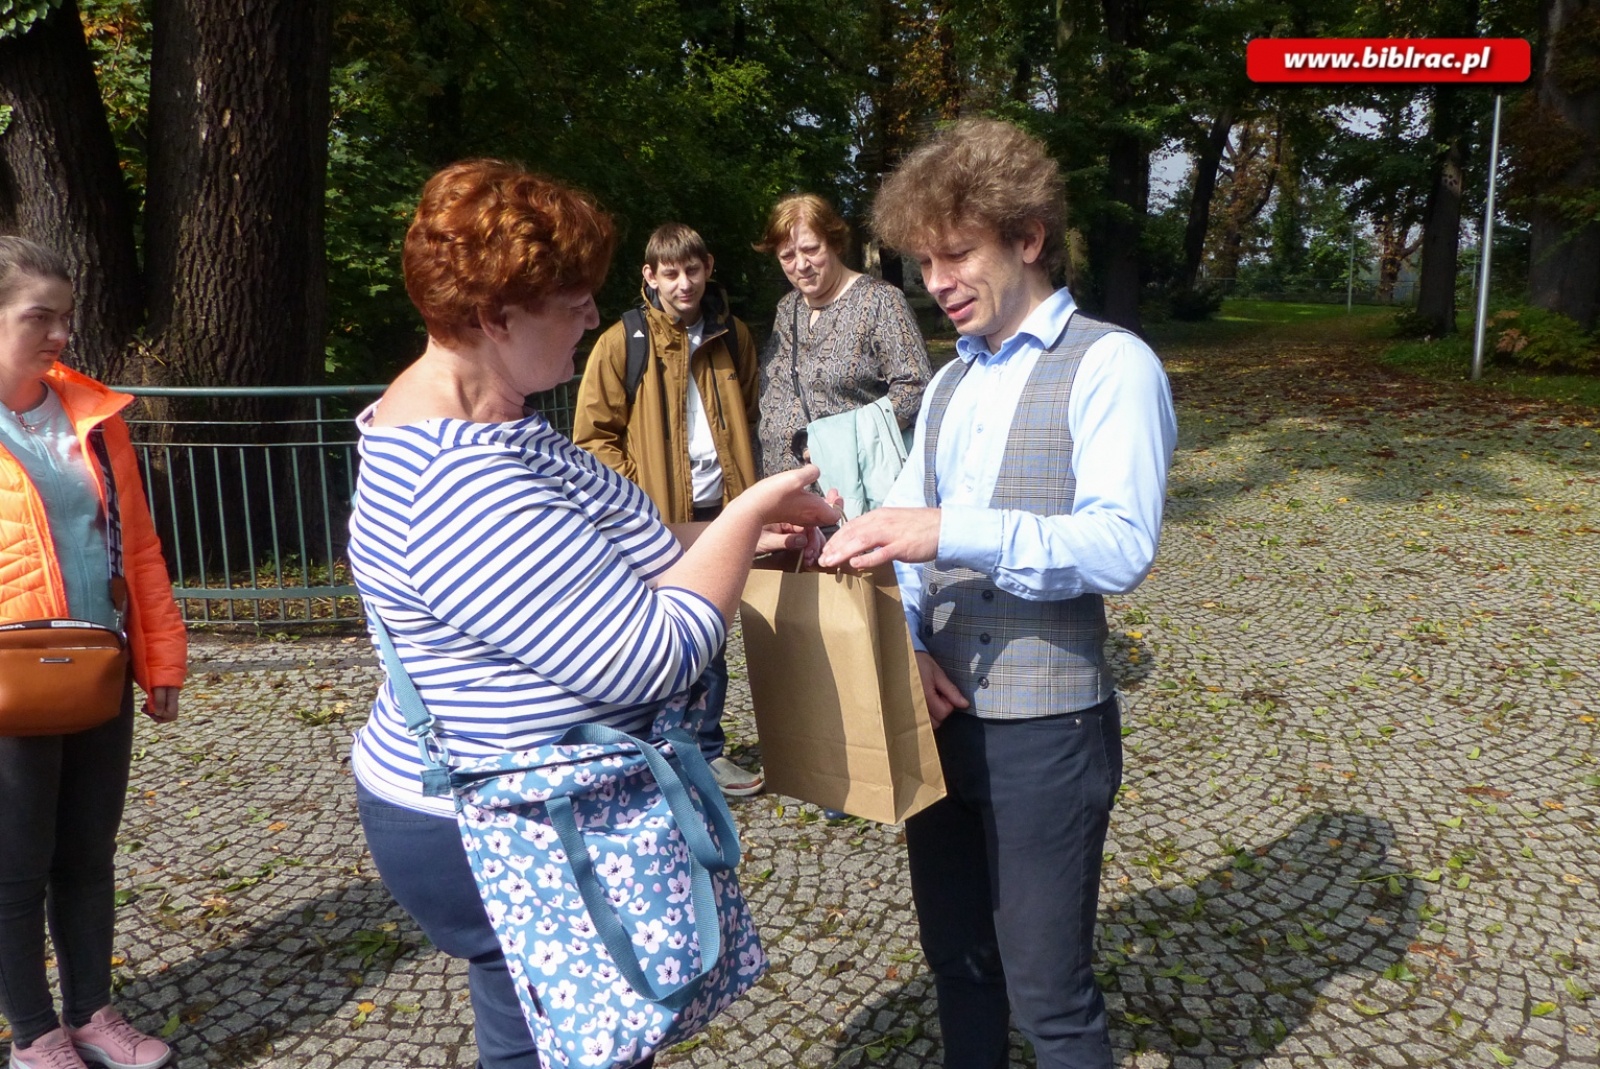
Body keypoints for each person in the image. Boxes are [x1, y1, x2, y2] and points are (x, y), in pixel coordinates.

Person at [346, 160, 837, 1069]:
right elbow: (659, 655)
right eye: (571, 301)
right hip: (500, 818)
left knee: (578, 1038)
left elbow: (625, 538)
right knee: (566, 1049)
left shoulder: (499, 419)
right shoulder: (462, 485)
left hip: (536, 795)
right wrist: (741, 514)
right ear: (494, 318)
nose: (590, 316)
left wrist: (748, 527)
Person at [820, 119, 1178, 1068]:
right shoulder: (946, 385)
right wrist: (902, 642)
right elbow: (900, 536)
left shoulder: (1112, 364)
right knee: (959, 960)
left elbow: (1120, 545)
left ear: (1027, 236)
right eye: (924, 260)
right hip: (937, 715)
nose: (936, 281)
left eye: (955, 253)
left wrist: (952, 529)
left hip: (1046, 729)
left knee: (1049, 992)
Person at [0, 237, 187, 1069]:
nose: (60, 334)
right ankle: (35, 1034)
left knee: (86, 853)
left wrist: (163, 660)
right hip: (7, 682)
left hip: (97, 666)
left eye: (66, 317)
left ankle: (91, 1014)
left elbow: (137, 547)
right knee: (13, 866)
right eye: (40, 316)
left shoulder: (93, 415)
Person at [572, 223, 765, 798]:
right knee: (654, 635)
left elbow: (752, 416)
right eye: (671, 273)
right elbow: (593, 437)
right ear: (650, 277)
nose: (685, 284)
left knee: (709, 634)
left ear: (707, 268)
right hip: (653, 520)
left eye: (694, 270)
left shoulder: (734, 336)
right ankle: (652, 751)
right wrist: (638, 503)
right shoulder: (622, 343)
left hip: (720, 509)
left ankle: (704, 753)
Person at [752, 194, 931, 481]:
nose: (801, 265)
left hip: (853, 490)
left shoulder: (879, 300)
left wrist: (839, 443)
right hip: (787, 498)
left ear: (834, 243)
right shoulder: (788, 309)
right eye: (787, 256)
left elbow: (915, 388)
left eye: (811, 250)